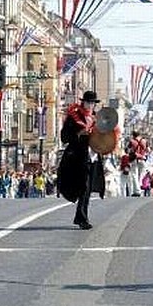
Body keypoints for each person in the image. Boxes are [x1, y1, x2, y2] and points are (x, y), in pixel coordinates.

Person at [57, 90, 105, 230]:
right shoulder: (74, 117)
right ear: (83, 102)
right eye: (88, 102)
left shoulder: (96, 118)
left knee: (88, 188)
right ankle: (82, 218)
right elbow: (65, 137)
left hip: (93, 155)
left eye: (93, 103)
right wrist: (79, 134)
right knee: (83, 186)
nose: (91, 105)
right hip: (78, 157)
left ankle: (81, 216)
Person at [127, 130, 149, 196]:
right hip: (142, 159)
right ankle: (137, 190)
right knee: (140, 176)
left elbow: (127, 150)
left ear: (133, 135)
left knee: (134, 175)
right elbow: (148, 150)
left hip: (135, 159)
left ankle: (137, 190)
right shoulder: (144, 141)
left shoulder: (132, 141)